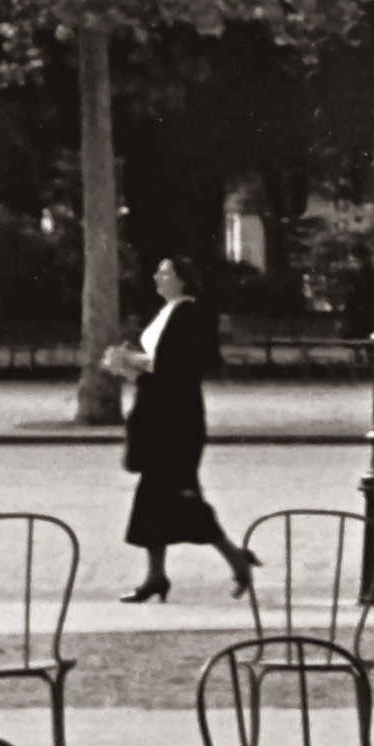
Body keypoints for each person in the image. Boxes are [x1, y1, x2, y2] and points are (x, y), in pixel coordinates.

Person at [106, 256, 258, 603]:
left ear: (182, 280)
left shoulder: (189, 314)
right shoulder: (167, 312)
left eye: (165, 271)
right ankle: (157, 575)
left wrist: (129, 363)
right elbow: (158, 367)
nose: (157, 276)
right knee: (155, 497)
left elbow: (175, 367)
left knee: (180, 495)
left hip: (176, 420)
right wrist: (129, 365)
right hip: (162, 414)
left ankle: (236, 560)